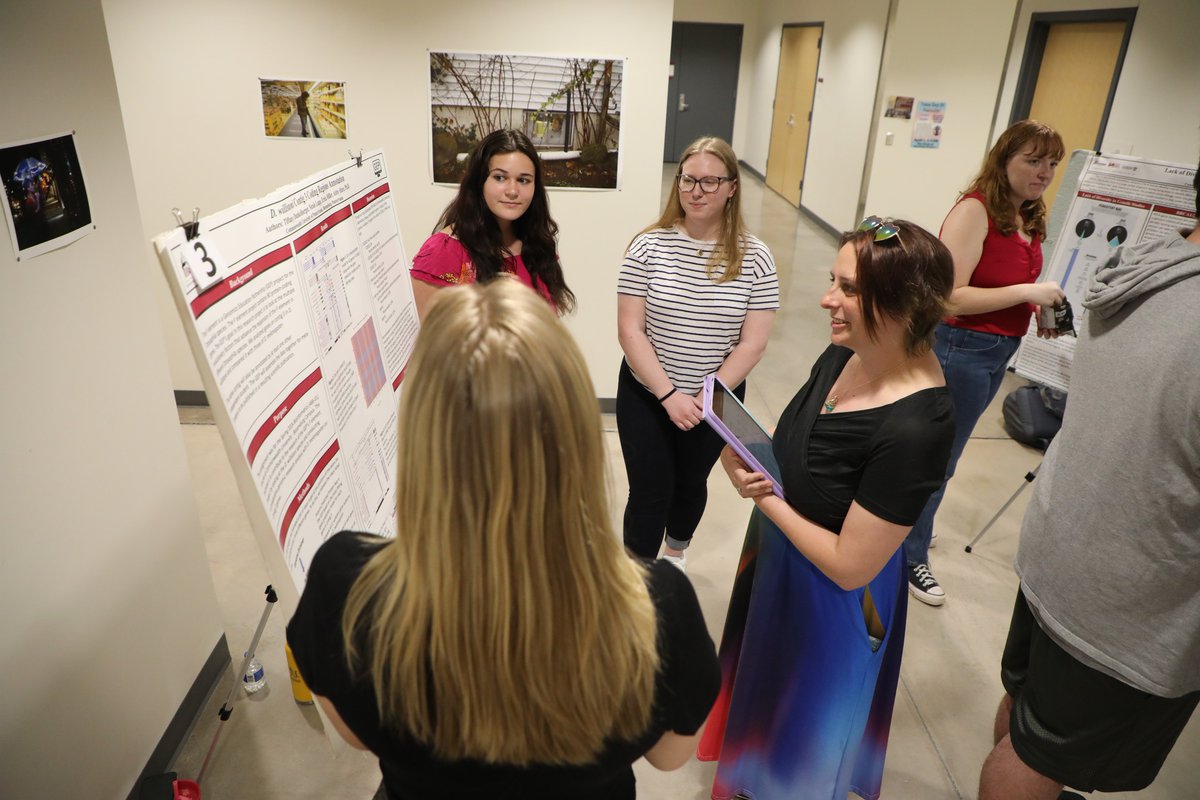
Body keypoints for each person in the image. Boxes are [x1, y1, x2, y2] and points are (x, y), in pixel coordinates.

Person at [286, 281, 720, 800]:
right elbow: (670, 757)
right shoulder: (657, 608)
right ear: (575, 433)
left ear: (422, 430)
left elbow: (357, 735)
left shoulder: (345, 586)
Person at [697, 218, 956, 799]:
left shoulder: (919, 425)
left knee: (802, 743)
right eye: (832, 281)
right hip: (782, 561)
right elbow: (808, 448)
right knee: (764, 703)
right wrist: (753, 453)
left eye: (849, 289)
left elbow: (849, 566)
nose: (826, 300)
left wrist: (764, 497)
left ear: (905, 305)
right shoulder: (847, 351)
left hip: (834, 603)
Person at [978, 165, 1200, 800]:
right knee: (1041, 754)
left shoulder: (1146, 266)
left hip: (1064, 544)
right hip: (1130, 599)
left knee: (1027, 717)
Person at [903, 119, 1066, 606]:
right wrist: (1027, 291)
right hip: (961, 348)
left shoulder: (1026, 213)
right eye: (1032, 161)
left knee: (944, 456)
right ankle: (909, 555)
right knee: (938, 459)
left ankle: (914, 527)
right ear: (1004, 160)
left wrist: (1034, 306)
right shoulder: (975, 211)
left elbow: (1002, 283)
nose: (1044, 172)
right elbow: (948, 297)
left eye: (1051, 163)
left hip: (997, 349)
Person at [616, 136, 778, 570]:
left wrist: (706, 396)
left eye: (710, 181)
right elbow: (630, 330)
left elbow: (753, 342)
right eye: (688, 180)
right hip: (647, 392)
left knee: (689, 482)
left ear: (732, 187)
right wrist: (669, 395)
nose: (696, 191)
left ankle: (675, 553)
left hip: (715, 398)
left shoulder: (756, 257)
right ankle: (636, 580)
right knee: (649, 489)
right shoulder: (647, 247)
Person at [410, 128, 573, 319]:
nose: (512, 191)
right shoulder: (443, 251)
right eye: (500, 177)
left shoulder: (538, 243)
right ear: (479, 182)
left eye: (523, 180)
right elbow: (429, 335)